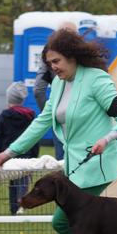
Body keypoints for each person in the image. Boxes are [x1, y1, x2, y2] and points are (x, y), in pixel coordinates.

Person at [0, 28, 117, 234]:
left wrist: (108, 137)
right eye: (49, 63)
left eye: (57, 61)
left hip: (98, 164)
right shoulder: (58, 84)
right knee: (76, 225)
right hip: (74, 167)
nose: (53, 68)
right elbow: (42, 120)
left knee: (64, 221)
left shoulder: (98, 80)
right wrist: (11, 151)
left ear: (72, 57)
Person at [34, 21, 78, 160]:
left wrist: (51, 115)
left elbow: (38, 89)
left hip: (61, 117)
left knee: (62, 164)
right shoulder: (85, 53)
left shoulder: (49, 53)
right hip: (83, 118)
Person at [0, 81, 38, 215]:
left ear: (9, 99)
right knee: (23, 181)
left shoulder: (3, 116)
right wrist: (34, 154)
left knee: (13, 181)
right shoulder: (30, 116)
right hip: (27, 154)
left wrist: (1, 152)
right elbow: (35, 137)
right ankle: (21, 205)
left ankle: (14, 208)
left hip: (9, 155)